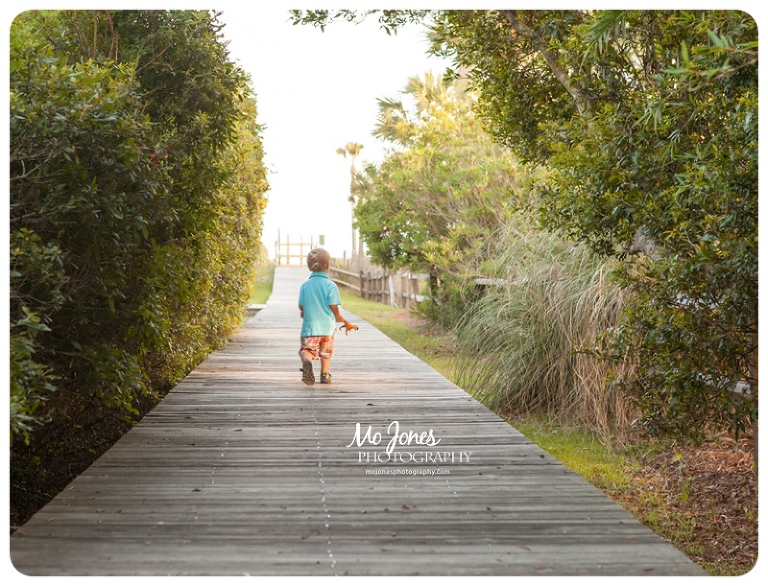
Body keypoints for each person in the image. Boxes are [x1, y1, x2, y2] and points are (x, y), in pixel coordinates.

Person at [298, 248, 358, 385]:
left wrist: (304, 312)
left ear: (309, 266)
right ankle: (324, 375)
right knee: (325, 353)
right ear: (328, 266)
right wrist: (338, 316)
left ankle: (307, 362)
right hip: (327, 328)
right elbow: (333, 305)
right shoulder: (331, 285)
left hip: (310, 327)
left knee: (307, 350)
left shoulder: (305, 286)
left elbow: (302, 306)